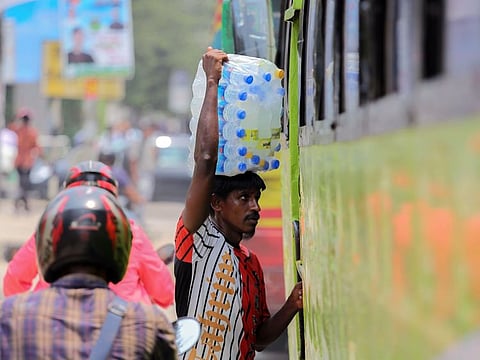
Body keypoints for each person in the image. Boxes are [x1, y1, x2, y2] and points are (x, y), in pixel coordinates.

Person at [174, 47, 303, 359]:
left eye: (256, 199)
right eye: (243, 198)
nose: (255, 207)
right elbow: (205, 160)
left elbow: (258, 338)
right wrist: (212, 81)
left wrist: (293, 304)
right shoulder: (198, 240)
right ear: (215, 203)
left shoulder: (250, 264)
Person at [0, 185, 177, 358]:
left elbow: (14, 278)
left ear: (48, 246)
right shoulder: (149, 325)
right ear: (120, 249)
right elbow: (164, 294)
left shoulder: (10, 317)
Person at [3, 160, 174, 308]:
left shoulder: (54, 225)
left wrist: (28, 311)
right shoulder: (131, 230)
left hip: (52, 322)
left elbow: (14, 278)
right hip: (122, 331)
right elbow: (164, 293)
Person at [12, 108, 41, 211]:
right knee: (24, 183)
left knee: (23, 183)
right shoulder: (28, 131)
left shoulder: (19, 130)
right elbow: (37, 147)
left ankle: (20, 202)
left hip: (23, 161)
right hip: (24, 161)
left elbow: (36, 147)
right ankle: (23, 203)